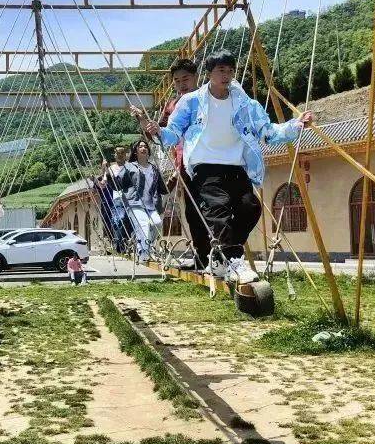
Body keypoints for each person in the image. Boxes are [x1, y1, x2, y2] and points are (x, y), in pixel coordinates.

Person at [134, 50, 313, 279]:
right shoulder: (191, 102)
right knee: (218, 213)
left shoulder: (245, 103)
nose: (226, 75)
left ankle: (219, 258)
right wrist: (157, 130)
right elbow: (172, 134)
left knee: (250, 208)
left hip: (236, 167)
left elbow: (267, 131)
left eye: (230, 71)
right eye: (221, 70)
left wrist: (296, 125)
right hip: (205, 168)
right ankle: (234, 262)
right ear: (209, 73)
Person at [159, 58, 211, 270]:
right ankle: (202, 257)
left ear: (196, 77)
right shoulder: (172, 105)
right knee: (192, 212)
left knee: (213, 210)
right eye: (177, 81)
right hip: (185, 164)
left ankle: (221, 256)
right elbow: (160, 133)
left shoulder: (208, 98)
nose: (182, 84)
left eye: (186, 79)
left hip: (210, 160)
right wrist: (145, 123)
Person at [117, 139, 168, 263]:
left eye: (145, 146)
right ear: (135, 151)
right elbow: (118, 183)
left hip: (151, 204)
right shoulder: (129, 166)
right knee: (143, 224)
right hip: (134, 203)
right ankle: (143, 253)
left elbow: (163, 188)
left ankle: (146, 245)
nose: (143, 148)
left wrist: (173, 179)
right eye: (140, 147)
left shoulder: (154, 168)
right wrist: (108, 175)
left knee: (157, 223)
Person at [97, 147, 133, 255]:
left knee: (131, 220)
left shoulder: (131, 167)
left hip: (131, 198)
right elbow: (102, 185)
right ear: (115, 155)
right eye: (118, 153)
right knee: (119, 219)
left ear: (126, 155)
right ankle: (119, 246)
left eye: (122, 153)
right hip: (118, 199)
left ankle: (130, 243)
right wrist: (103, 170)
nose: (120, 155)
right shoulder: (111, 168)